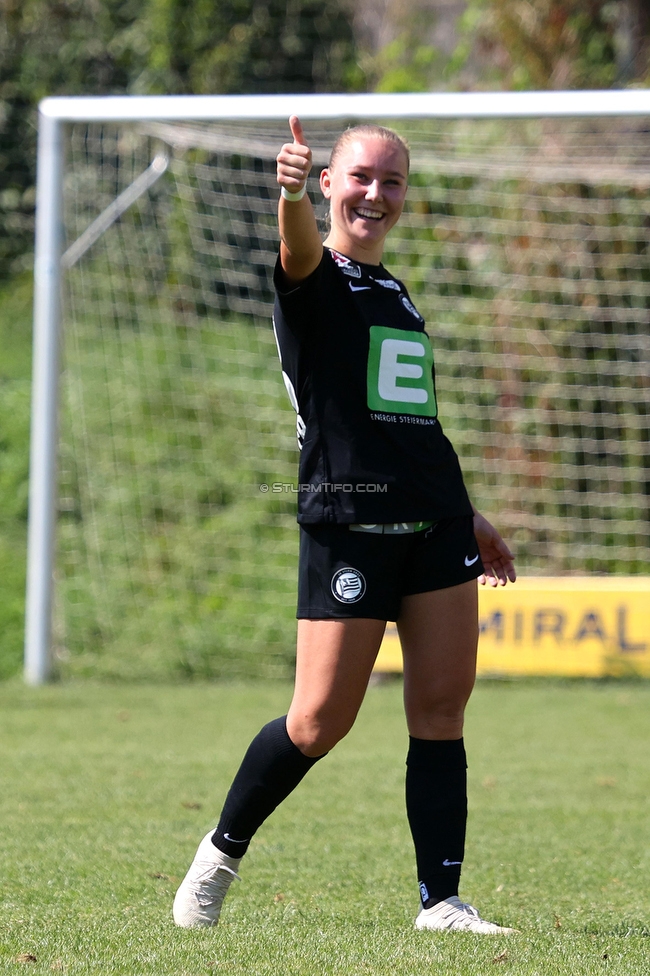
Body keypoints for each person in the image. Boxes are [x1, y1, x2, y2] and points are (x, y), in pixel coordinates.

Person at [173, 116, 517, 935]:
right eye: (360, 176)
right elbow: (295, 247)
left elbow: (407, 421)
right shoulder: (311, 274)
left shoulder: (396, 292)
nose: (376, 193)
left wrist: (468, 513)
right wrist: (286, 193)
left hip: (434, 524)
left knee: (441, 710)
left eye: (392, 181)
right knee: (318, 720)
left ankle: (442, 902)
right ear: (329, 183)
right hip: (349, 523)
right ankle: (218, 855)